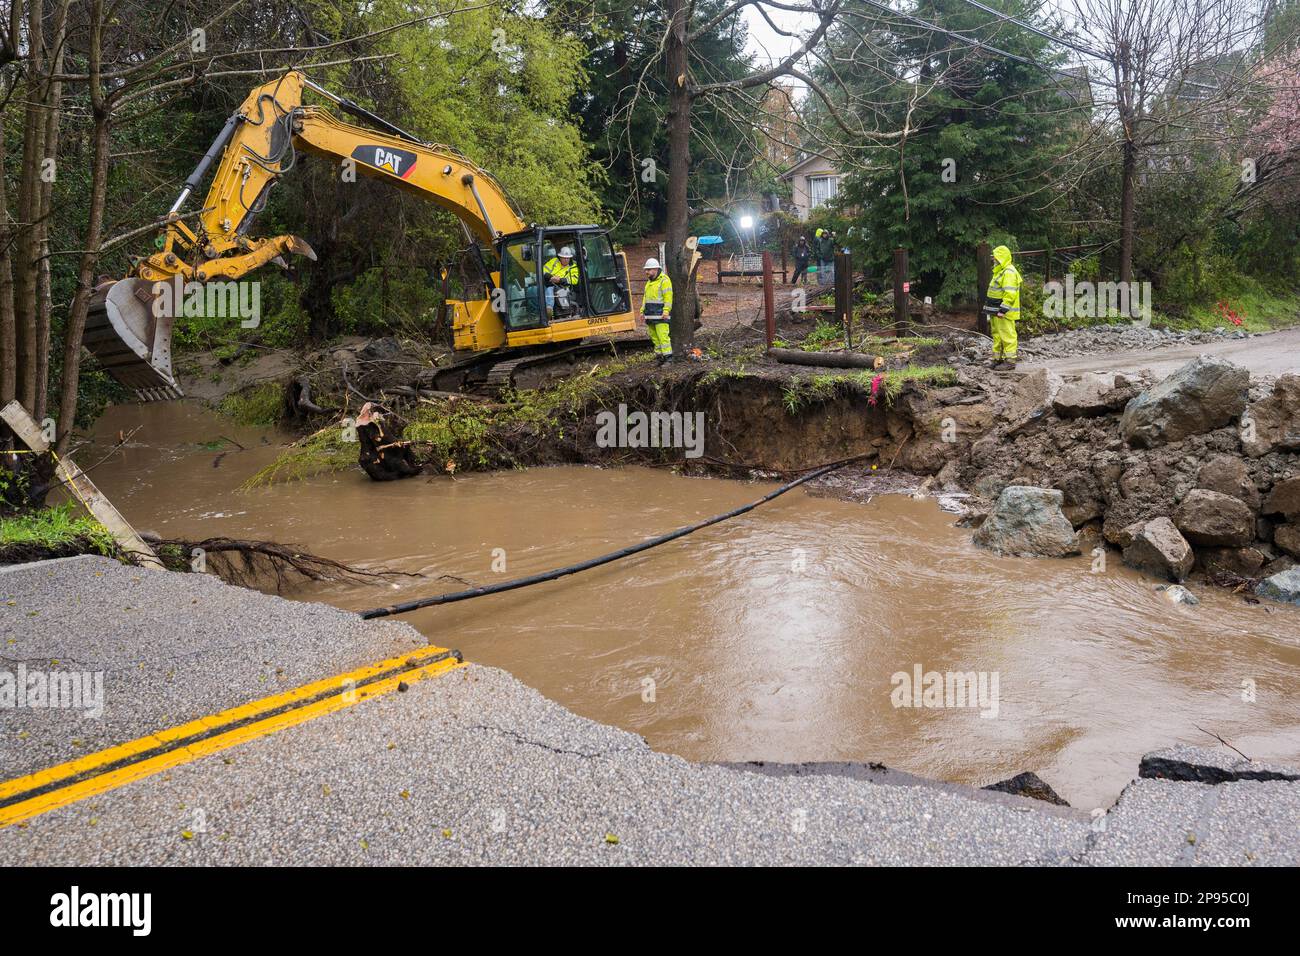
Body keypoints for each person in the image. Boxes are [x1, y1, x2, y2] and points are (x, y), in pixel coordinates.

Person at [355, 403, 421, 481]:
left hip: (375, 453)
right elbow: (378, 439)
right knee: (392, 473)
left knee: (403, 449)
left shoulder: (373, 421)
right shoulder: (365, 424)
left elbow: (386, 437)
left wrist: (396, 443)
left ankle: (413, 466)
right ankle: (411, 470)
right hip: (371, 457)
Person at [985, 244, 1023, 370]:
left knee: (1007, 335)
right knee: (997, 334)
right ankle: (997, 359)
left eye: (996, 258)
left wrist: (1003, 309)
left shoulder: (1009, 272)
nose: (994, 260)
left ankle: (1010, 361)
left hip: (1003, 312)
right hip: (996, 310)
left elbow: (1010, 293)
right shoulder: (1000, 271)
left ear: (1001, 258)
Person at [642, 257, 673, 365]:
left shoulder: (664, 280)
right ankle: (660, 358)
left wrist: (666, 311)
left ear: (655, 269)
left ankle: (668, 359)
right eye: (646, 270)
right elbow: (645, 298)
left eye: (648, 270)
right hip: (650, 315)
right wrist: (642, 311)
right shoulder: (649, 282)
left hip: (661, 315)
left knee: (663, 338)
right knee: (655, 339)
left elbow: (668, 297)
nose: (646, 272)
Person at [542, 245, 580, 313]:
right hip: (549, 282)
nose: (566, 260)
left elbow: (575, 280)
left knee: (550, 288)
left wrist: (560, 280)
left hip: (563, 287)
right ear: (560, 257)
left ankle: (549, 308)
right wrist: (550, 277)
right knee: (533, 290)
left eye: (567, 258)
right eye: (564, 258)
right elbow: (543, 270)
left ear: (570, 258)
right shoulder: (554, 261)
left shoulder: (573, 267)